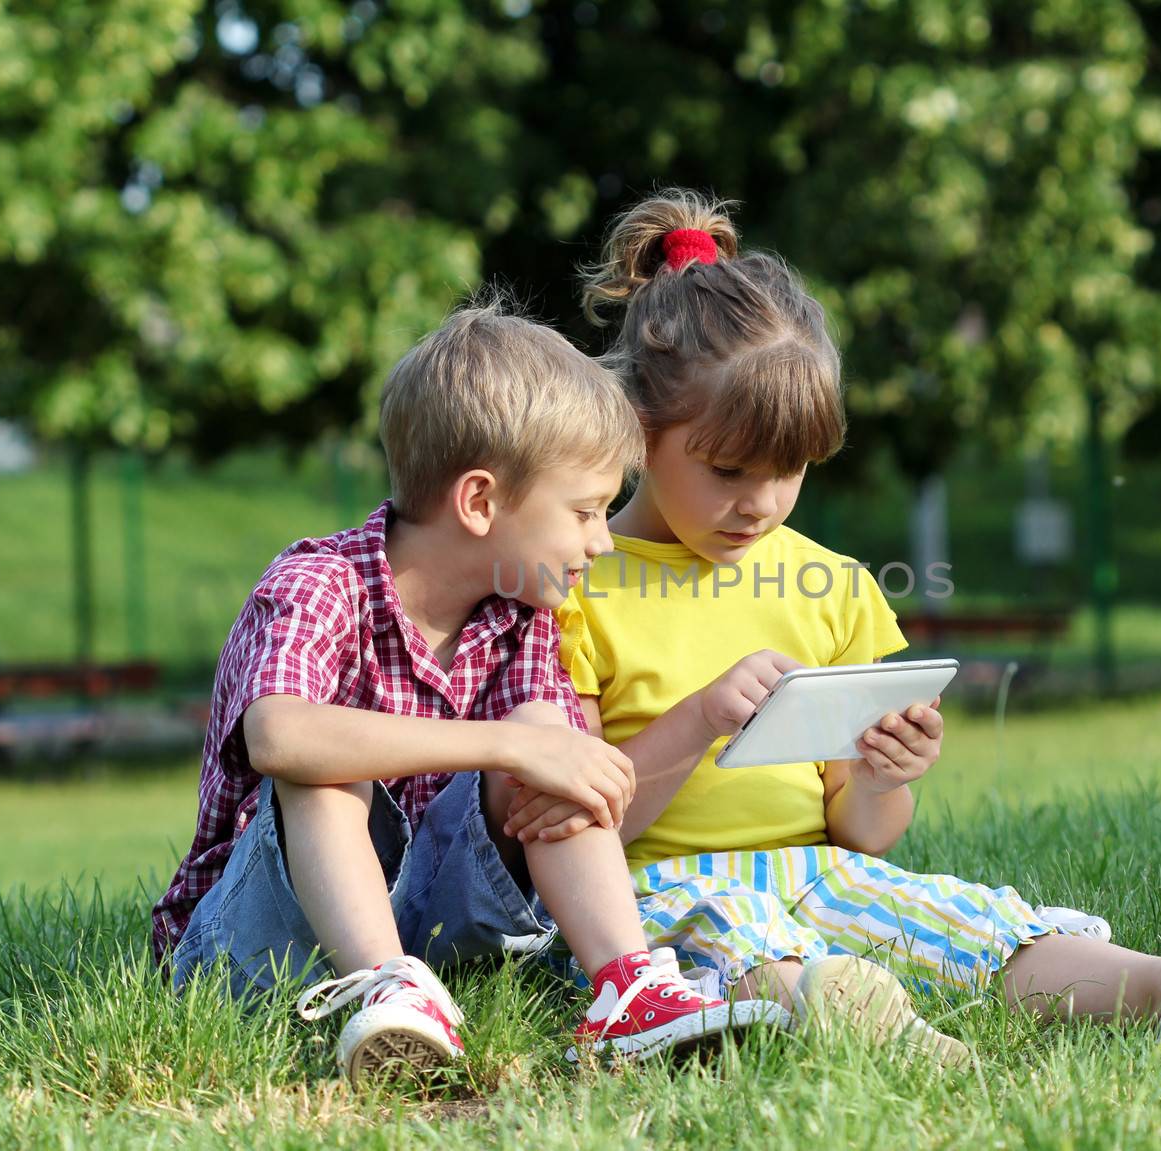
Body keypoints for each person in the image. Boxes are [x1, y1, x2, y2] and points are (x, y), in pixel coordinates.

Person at [521, 191, 1161, 1067]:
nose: (762, 503)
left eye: (791, 471)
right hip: (644, 898)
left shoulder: (834, 588)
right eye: (730, 470)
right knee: (742, 939)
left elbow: (863, 832)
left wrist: (885, 776)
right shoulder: (573, 587)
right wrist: (700, 716)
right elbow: (584, 829)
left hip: (816, 872)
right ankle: (868, 1020)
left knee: (959, 922)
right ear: (636, 428)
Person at [154, 298, 782, 1083]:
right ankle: (383, 984)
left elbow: (547, 767)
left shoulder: (521, 618)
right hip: (255, 944)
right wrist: (506, 743)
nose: (603, 538)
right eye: (585, 510)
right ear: (480, 502)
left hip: (437, 930)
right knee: (330, 756)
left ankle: (628, 989)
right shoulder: (320, 582)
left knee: (550, 745)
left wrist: (544, 749)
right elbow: (278, 737)